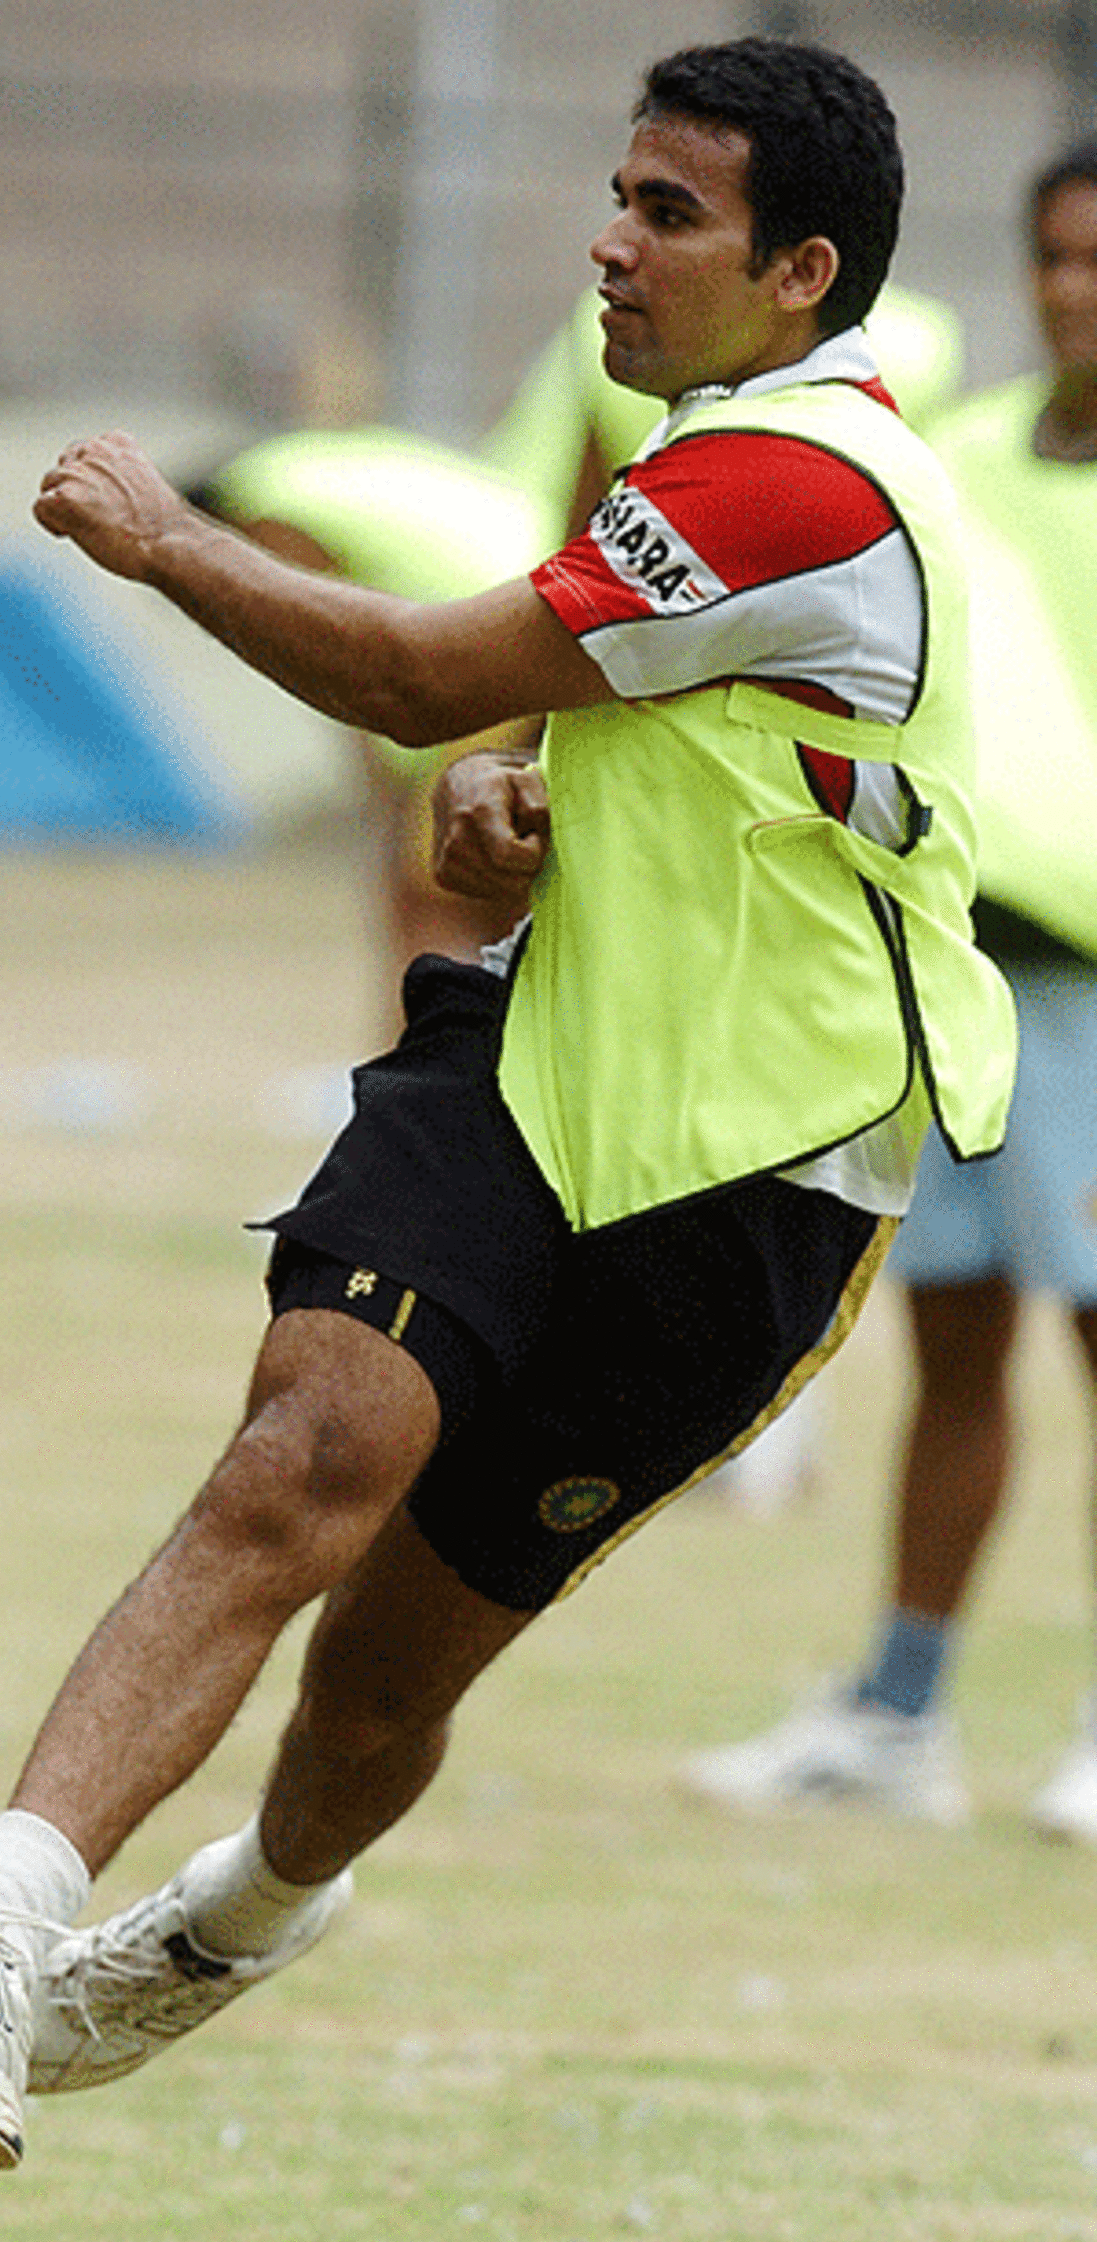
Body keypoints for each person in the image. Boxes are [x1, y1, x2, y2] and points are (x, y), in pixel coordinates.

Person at [0, 38, 1014, 2177]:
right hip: (535, 1068)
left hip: (760, 1167)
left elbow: (403, 672)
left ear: (801, 268)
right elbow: (697, 755)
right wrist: (532, 808)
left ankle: (242, 1918)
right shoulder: (701, 459)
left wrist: (165, 536)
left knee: (381, 1680)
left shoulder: (799, 473)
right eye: (617, 193)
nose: (610, 241)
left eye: (670, 213)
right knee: (303, 1450)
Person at [676, 140, 1097, 1835]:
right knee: (954, 1346)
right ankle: (901, 1711)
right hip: (953, 963)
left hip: (1095, 980)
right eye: (1056, 255)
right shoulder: (966, 457)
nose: (1076, 289)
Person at [194, 280, 963, 1010]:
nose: (616, 246)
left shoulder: (265, 497)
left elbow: (365, 663)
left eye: (665, 214)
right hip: (556, 591)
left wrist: (389, 784)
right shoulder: (916, 359)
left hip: (521, 611)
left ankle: (428, 1065)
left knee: (431, 893)